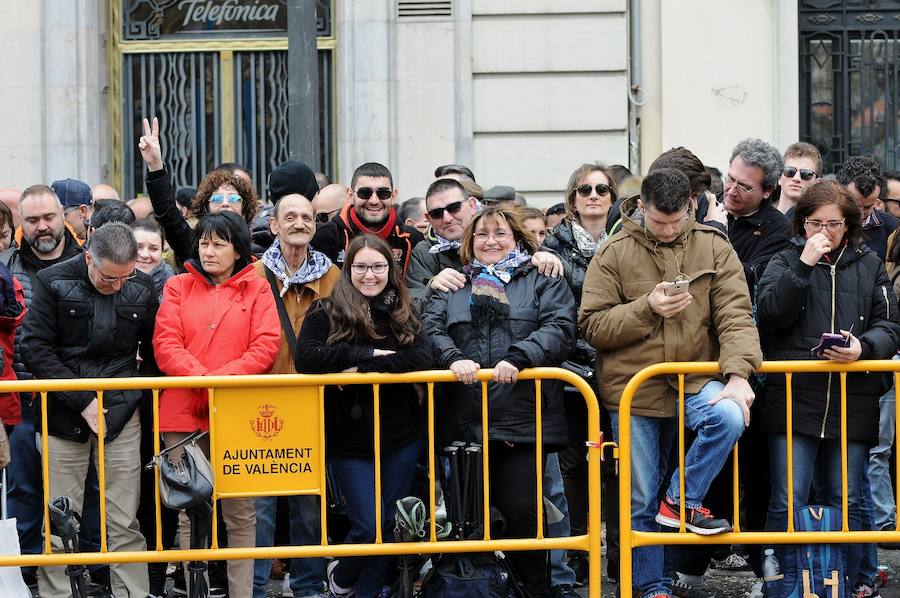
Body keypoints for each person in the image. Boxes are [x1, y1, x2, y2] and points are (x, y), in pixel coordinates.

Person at [579, 168, 762, 598]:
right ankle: (650, 586)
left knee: (732, 414)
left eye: (677, 220)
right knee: (640, 497)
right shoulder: (613, 251)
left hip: (695, 379)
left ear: (691, 207)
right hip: (633, 389)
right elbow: (592, 326)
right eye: (659, 221)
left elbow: (736, 315)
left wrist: (738, 376)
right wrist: (647, 308)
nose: (668, 229)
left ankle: (680, 500)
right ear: (641, 206)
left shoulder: (714, 245)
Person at [423, 206, 577, 598]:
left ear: (518, 238)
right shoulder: (452, 284)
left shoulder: (541, 277)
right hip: (462, 422)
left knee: (522, 515)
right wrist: (452, 358)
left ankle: (533, 590)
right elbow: (430, 329)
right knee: (466, 521)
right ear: (468, 243)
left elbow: (560, 327)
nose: (491, 241)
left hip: (520, 421)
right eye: (482, 235)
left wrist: (521, 355)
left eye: (501, 234)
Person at [756, 180, 900, 594]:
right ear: (801, 223)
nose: (825, 231)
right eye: (816, 222)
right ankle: (780, 586)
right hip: (794, 397)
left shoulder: (869, 264)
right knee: (787, 500)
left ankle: (854, 581)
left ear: (848, 225)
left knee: (849, 500)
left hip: (852, 398)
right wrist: (803, 265)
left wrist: (864, 347)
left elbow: (889, 325)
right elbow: (770, 314)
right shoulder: (785, 259)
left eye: (834, 223)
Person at [21, 222, 159, 598]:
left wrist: (136, 398)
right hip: (63, 412)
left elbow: (153, 351)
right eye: (109, 278)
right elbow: (33, 348)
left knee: (123, 518)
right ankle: (58, 593)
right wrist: (82, 400)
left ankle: (132, 592)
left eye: (125, 277)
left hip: (122, 409)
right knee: (62, 516)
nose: (118, 286)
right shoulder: (52, 281)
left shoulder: (141, 287)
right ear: (88, 258)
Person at [294, 235, 432, 598]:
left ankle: (367, 592)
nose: (369, 275)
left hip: (400, 434)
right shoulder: (326, 310)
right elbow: (307, 358)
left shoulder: (405, 309)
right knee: (368, 526)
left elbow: (422, 356)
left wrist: (360, 367)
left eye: (378, 267)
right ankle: (342, 578)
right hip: (348, 439)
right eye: (360, 267)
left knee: (389, 523)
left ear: (391, 269)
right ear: (347, 269)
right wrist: (370, 353)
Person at [153, 211, 281, 598]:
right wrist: (204, 379)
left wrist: (221, 381)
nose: (209, 251)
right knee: (191, 508)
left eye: (219, 243)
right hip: (182, 411)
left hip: (238, 411)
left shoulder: (258, 288)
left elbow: (266, 344)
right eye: (204, 243)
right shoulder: (177, 285)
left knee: (241, 511)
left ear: (238, 249)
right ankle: (196, 589)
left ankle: (242, 594)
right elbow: (165, 343)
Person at [252, 161, 340, 598]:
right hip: (259, 402)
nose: (300, 223)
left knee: (310, 504)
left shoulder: (334, 277)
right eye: (290, 216)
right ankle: (253, 585)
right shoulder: (250, 277)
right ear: (273, 224)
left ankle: (307, 585)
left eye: (307, 216)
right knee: (260, 506)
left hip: (314, 402)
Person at [2, 185, 86, 590]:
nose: (42, 227)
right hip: (20, 399)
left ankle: (83, 573)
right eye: (32, 220)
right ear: (21, 224)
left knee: (78, 493)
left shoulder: (87, 264)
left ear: (63, 216)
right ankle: (27, 576)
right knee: (23, 491)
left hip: (74, 400)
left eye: (48, 218)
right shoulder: (7, 267)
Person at [541, 162, 619, 587]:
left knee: (617, 468)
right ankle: (576, 558)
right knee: (571, 467)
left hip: (620, 370)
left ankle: (620, 559)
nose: (594, 195)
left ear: (612, 197)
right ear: (572, 198)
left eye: (602, 189)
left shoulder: (628, 239)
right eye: (585, 189)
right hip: (571, 372)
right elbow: (555, 313)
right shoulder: (549, 248)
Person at [405, 178, 563, 309]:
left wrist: (548, 257)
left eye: (454, 208)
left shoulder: (505, 230)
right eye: (437, 213)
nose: (447, 218)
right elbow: (411, 309)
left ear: (472, 205)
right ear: (428, 218)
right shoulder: (425, 252)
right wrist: (431, 286)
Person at [139, 116, 259, 266]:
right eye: (217, 199)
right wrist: (155, 165)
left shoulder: (260, 249)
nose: (225, 204)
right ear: (206, 207)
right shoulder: (193, 246)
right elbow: (167, 214)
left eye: (234, 199)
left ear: (245, 211)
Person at [311, 162, 423, 273]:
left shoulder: (412, 240)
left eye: (383, 193)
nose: (374, 201)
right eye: (364, 193)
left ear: (393, 196)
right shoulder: (323, 237)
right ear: (350, 195)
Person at [837, 156, 900, 261]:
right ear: (839, 191)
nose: (861, 213)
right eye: (854, 205)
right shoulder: (821, 223)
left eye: (868, 206)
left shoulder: (893, 229)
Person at [131, 218, 174, 302]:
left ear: (162, 250)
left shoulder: (172, 285)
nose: (145, 255)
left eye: (153, 249)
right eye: (138, 247)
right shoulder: (111, 279)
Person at [775, 142, 822, 216]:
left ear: (817, 183)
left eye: (805, 174)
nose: (796, 178)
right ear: (779, 177)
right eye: (790, 171)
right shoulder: (761, 219)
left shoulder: (820, 224)